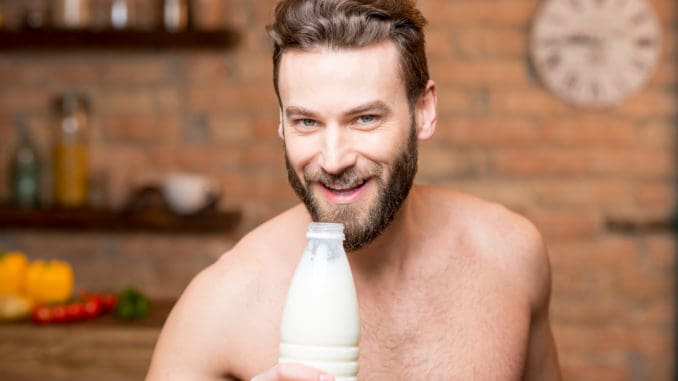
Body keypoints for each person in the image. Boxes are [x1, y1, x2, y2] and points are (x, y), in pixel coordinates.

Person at [146, 0, 562, 380]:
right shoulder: (219, 307)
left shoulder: (510, 256)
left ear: (424, 111)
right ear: (281, 123)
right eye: (306, 122)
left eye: (364, 119)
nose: (332, 159)